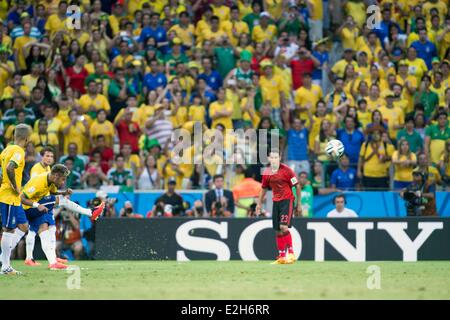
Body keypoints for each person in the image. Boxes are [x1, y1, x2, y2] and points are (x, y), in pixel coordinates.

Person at [20, 164, 105, 269]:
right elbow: (22, 198)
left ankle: (53, 260)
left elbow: (52, 192)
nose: (63, 182)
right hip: (28, 208)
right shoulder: (39, 182)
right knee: (63, 201)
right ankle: (90, 213)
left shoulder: (50, 180)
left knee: (50, 228)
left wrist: (64, 192)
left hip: (39, 205)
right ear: (56, 176)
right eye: (63, 179)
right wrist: (37, 205)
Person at [256, 149, 301, 265]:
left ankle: (291, 253)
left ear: (280, 158)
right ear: (269, 159)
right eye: (272, 157)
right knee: (277, 231)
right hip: (276, 202)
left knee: (283, 227)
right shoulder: (267, 172)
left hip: (287, 200)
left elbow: (297, 186)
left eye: (277, 157)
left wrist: (299, 204)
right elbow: (263, 189)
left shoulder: (287, 171)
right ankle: (281, 256)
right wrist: (259, 204)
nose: (274, 159)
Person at [0, 124, 31, 275]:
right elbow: (9, 168)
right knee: (9, 229)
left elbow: (1, 172)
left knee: (24, 226)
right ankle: (5, 266)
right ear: (26, 138)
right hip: (10, 196)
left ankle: (3, 259)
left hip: (12, 197)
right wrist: (13, 185)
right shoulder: (19, 151)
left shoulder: (6, 150)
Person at [24, 146, 55, 266]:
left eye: (51, 156)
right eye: (47, 155)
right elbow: (34, 186)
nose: (49, 158)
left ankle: (32, 258)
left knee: (36, 229)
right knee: (32, 230)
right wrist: (37, 204)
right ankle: (30, 258)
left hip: (43, 200)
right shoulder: (37, 169)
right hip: (36, 201)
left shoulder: (48, 168)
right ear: (41, 156)